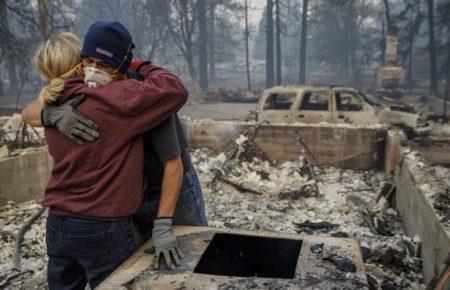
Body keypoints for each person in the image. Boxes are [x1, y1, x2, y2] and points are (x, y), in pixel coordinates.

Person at [24, 22, 208, 271]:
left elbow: (173, 164)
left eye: (104, 65)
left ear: (121, 68)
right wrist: (52, 115)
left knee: (191, 258)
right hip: (128, 196)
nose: (94, 71)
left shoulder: (146, 96)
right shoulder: (83, 83)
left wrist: (163, 223)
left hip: (169, 189)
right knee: (146, 268)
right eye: (89, 62)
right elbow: (30, 110)